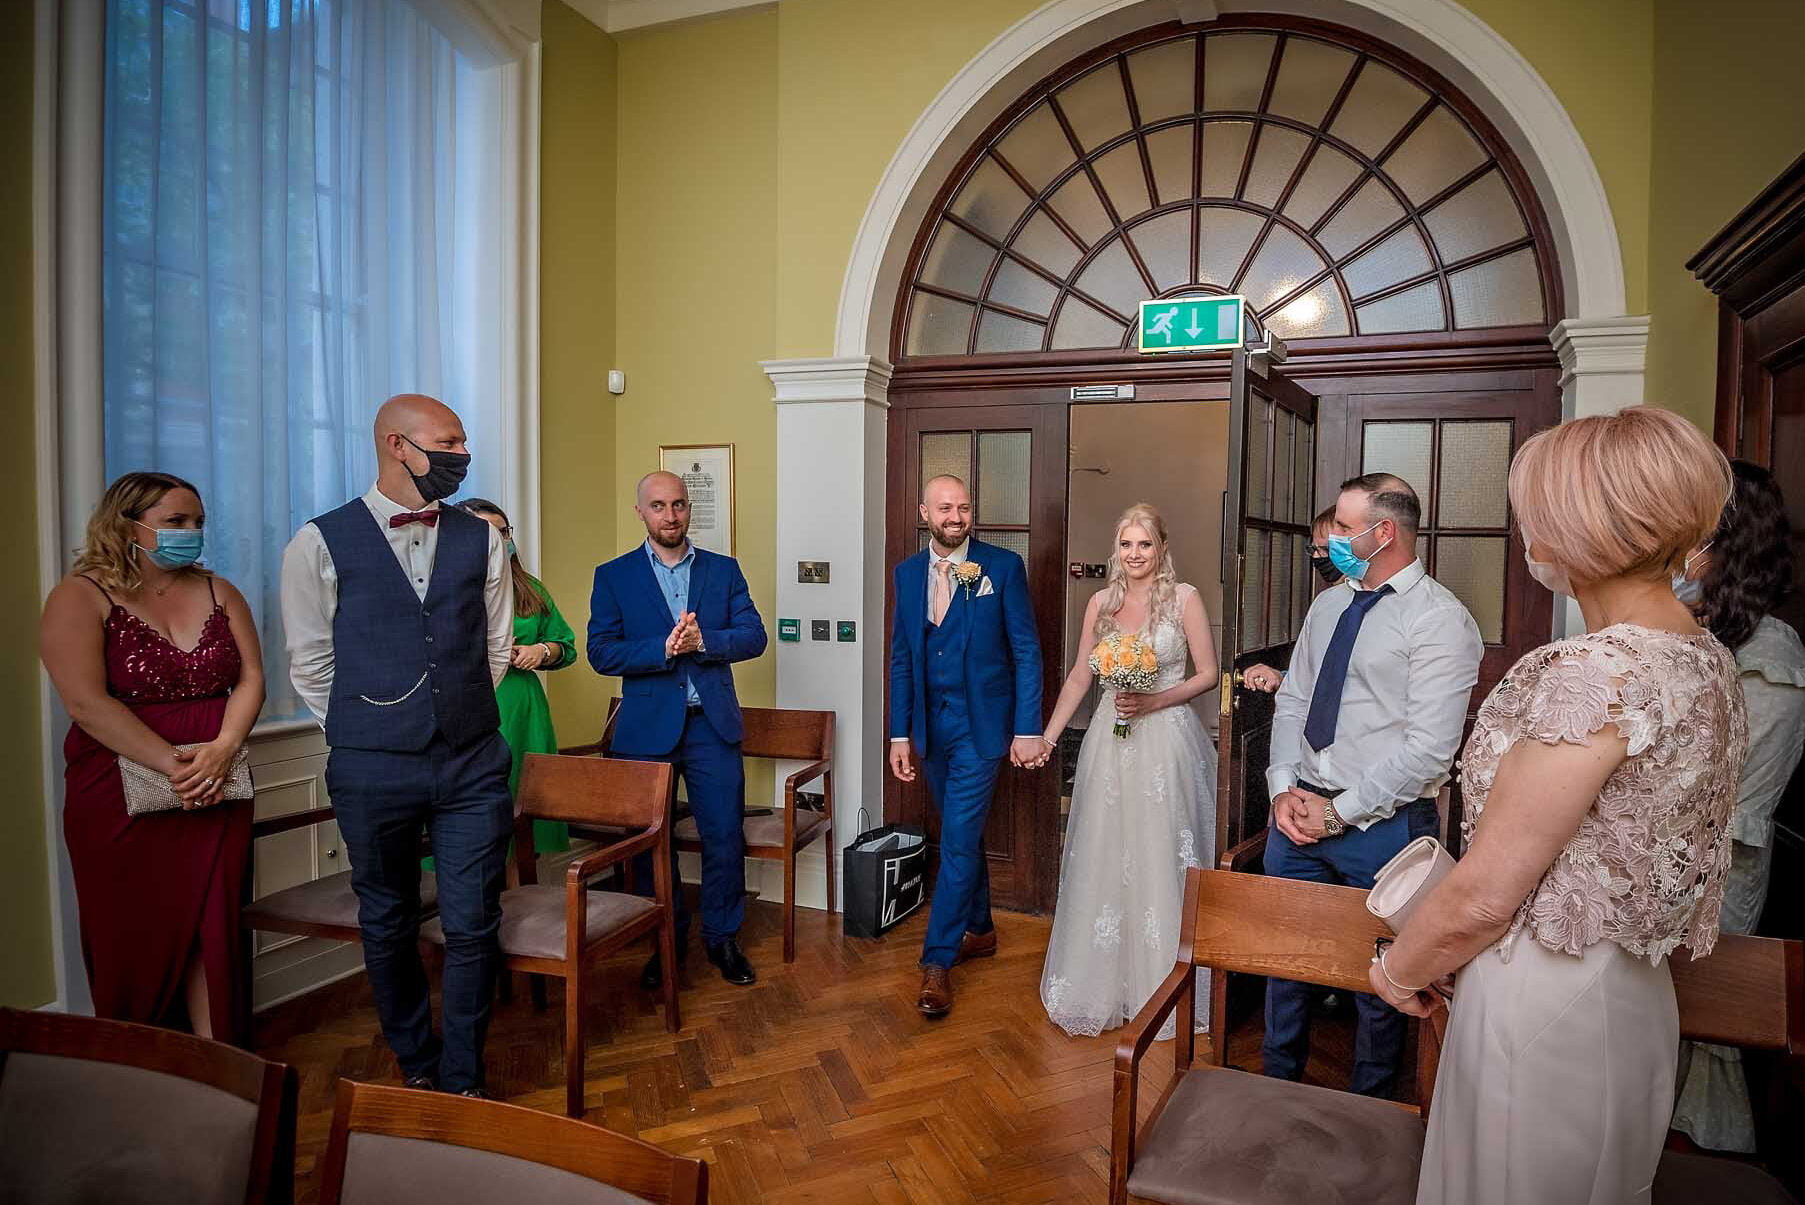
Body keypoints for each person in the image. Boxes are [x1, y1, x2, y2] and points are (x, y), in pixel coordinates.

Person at [1378, 407, 1746, 1205]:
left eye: (1531, 516)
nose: (1524, 533)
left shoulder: (1597, 672)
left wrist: (1395, 967)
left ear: (1574, 528)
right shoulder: (1704, 657)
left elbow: (1485, 891)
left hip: (1541, 996)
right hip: (1631, 994)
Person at [281, 394, 514, 1097]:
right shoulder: (317, 542)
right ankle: (416, 1059)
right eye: (448, 442)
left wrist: (458, 712)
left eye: (464, 443)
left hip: (472, 761)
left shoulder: (483, 537)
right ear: (396, 444)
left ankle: (463, 1075)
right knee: (386, 917)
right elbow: (311, 661)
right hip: (370, 765)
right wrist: (366, 728)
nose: (461, 456)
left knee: (474, 922)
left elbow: (495, 646)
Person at [1262, 473, 1482, 1098]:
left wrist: (1339, 815)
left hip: (1385, 831)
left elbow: (1429, 750)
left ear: (1382, 532)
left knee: (1384, 983)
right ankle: (1277, 1085)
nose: (1330, 538)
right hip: (1296, 815)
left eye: (1342, 526)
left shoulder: (1440, 620)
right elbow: (1295, 699)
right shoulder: (1327, 603)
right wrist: (1282, 788)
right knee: (1284, 965)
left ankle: (1372, 1109)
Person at [39, 472, 265, 1043]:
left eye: (197, 523)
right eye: (175, 522)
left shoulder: (221, 591)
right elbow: (85, 703)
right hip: (119, 792)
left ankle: (221, 1061)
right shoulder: (79, 594)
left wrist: (222, 751)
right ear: (127, 524)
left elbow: (252, 680)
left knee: (213, 929)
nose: (191, 533)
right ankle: (140, 1063)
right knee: (133, 931)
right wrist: (176, 765)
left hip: (219, 783)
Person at [1036, 504, 1219, 1037]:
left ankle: (1161, 985)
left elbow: (1208, 675)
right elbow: (1078, 677)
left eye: (1144, 544)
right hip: (1109, 746)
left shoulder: (1184, 599)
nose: (1134, 554)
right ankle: (1103, 981)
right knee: (1106, 850)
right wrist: (1048, 737)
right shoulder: (1100, 603)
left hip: (1165, 742)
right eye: (1126, 545)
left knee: (1160, 852)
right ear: (1116, 550)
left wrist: (1155, 701)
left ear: (1161, 548)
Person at [588, 471, 768, 990]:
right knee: (650, 843)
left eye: (680, 505)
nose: (671, 515)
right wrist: (663, 650)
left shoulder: (723, 570)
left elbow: (753, 636)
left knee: (723, 837)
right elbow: (601, 651)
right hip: (646, 733)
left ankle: (722, 939)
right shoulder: (614, 576)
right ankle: (663, 939)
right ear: (640, 512)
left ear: (690, 509)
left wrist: (702, 641)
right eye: (659, 506)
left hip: (712, 727)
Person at [1671, 460, 1805, 1153]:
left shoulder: (1769, 657)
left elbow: (1737, 800)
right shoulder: (1696, 627)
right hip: (1659, 864)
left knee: (1697, 1034)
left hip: (1714, 876)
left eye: (1687, 534)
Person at [888, 474, 1044, 1018]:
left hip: (982, 731)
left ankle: (937, 961)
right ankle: (980, 928)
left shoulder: (1001, 568)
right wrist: (900, 734)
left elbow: (1026, 650)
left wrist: (1028, 729)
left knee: (954, 839)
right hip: (931, 733)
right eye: (945, 508)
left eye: (964, 507)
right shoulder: (906, 575)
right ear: (924, 512)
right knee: (964, 835)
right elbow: (903, 658)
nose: (956, 517)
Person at [458, 498, 578, 857]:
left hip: (523, 708)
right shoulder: (448, 589)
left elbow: (566, 646)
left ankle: (519, 896)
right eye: (487, 532)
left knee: (522, 806)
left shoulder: (530, 588)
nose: (499, 539)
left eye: (504, 531)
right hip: (472, 703)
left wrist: (540, 651)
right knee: (473, 812)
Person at [1242, 505, 1340, 694]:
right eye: (1313, 549)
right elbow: (1311, 673)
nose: (1317, 556)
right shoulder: (1324, 603)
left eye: (1326, 549)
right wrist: (1282, 677)